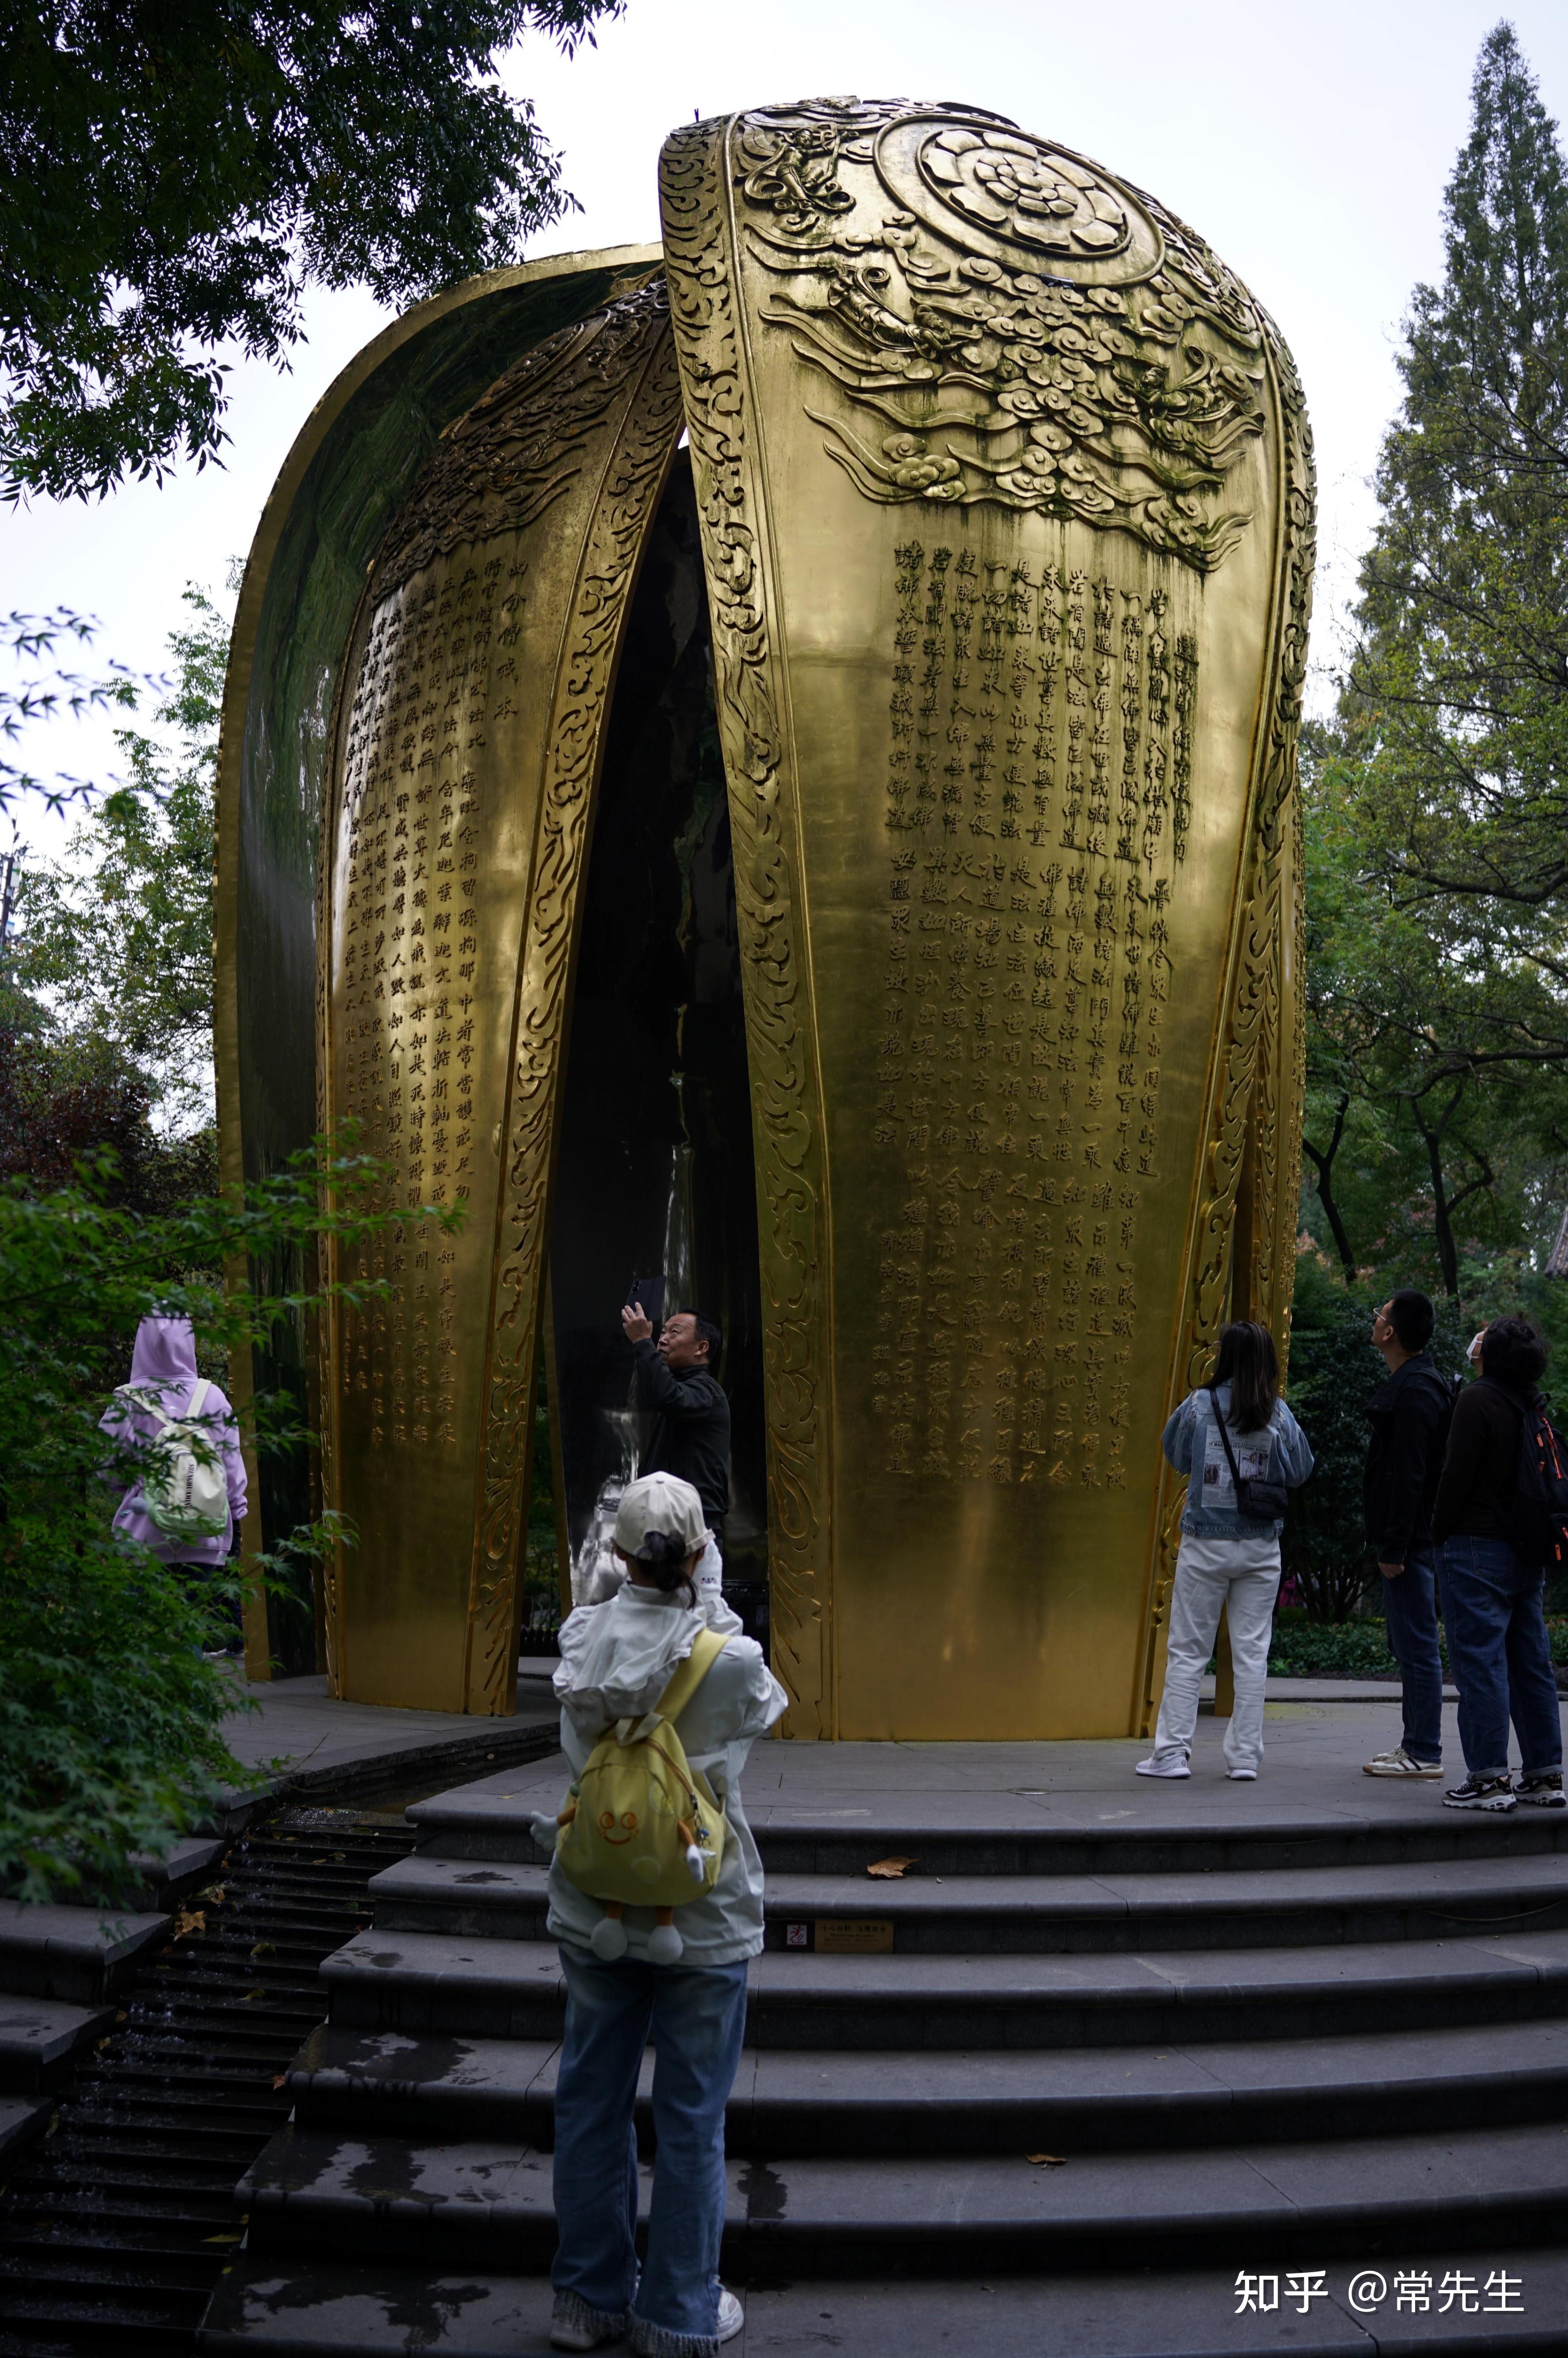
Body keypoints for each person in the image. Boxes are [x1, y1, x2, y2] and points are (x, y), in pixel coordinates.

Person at [543, 1471, 786, 2356]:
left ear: (615, 1555)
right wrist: (706, 1594)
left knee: (589, 2100)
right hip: (703, 1909)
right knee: (690, 2115)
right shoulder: (733, 1660)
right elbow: (749, 1712)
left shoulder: (577, 1641)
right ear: (697, 1554)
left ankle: (584, 2300)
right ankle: (679, 2311)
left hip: (595, 1897)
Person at [1138, 1321, 1313, 1783]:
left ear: (1226, 1357)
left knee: (1187, 1652)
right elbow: (1300, 1470)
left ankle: (1171, 1756)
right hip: (1259, 1548)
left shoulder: (1198, 1405)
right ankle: (1243, 1760)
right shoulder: (1277, 1413)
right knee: (1252, 1654)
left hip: (1205, 1544)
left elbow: (1174, 1454)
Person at [1430, 1313, 1565, 1814]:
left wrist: (1437, 1531)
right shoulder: (1529, 1403)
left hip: (1474, 1547)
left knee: (1480, 1662)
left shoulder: (1477, 1399)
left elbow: (1454, 1477)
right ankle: (1543, 1773)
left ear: (1490, 1353)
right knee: (1530, 1663)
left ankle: (1488, 1778)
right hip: (1525, 1550)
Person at [98, 1315, 248, 1648]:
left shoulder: (126, 1399)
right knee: (189, 1637)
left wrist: (136, 1485)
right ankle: (191, 1699)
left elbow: (107, 1469)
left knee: (139, 1639)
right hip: (204, 1535)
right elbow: (232, 1469)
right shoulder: (213, 1397)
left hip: (143, 1535)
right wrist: (236, 1516)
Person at [1361, 1291, 1455, 1779]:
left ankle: (1423, 1750)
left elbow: (1409, 1474)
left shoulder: (1417, 1390)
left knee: (1416, 1645)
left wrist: (1394, 1545)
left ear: (1390, 1332)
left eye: (1380, 1316)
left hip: (1411, 1542)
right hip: (1410, 1538)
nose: (1375, 1321)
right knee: (1409, 1643)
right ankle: (1414, 1745)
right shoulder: (1414, 1383)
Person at [622, 1301, 730, 1612]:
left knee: (697, 1620)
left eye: (674, 1332)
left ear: (701, 1348)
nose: (662, 1338)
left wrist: (642, 1342)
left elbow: (667, 1396)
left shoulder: (706, 1391)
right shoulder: (682, 1389)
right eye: (661, 1333)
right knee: (655, 1621)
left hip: (693, 1533)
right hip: (663, 1528)